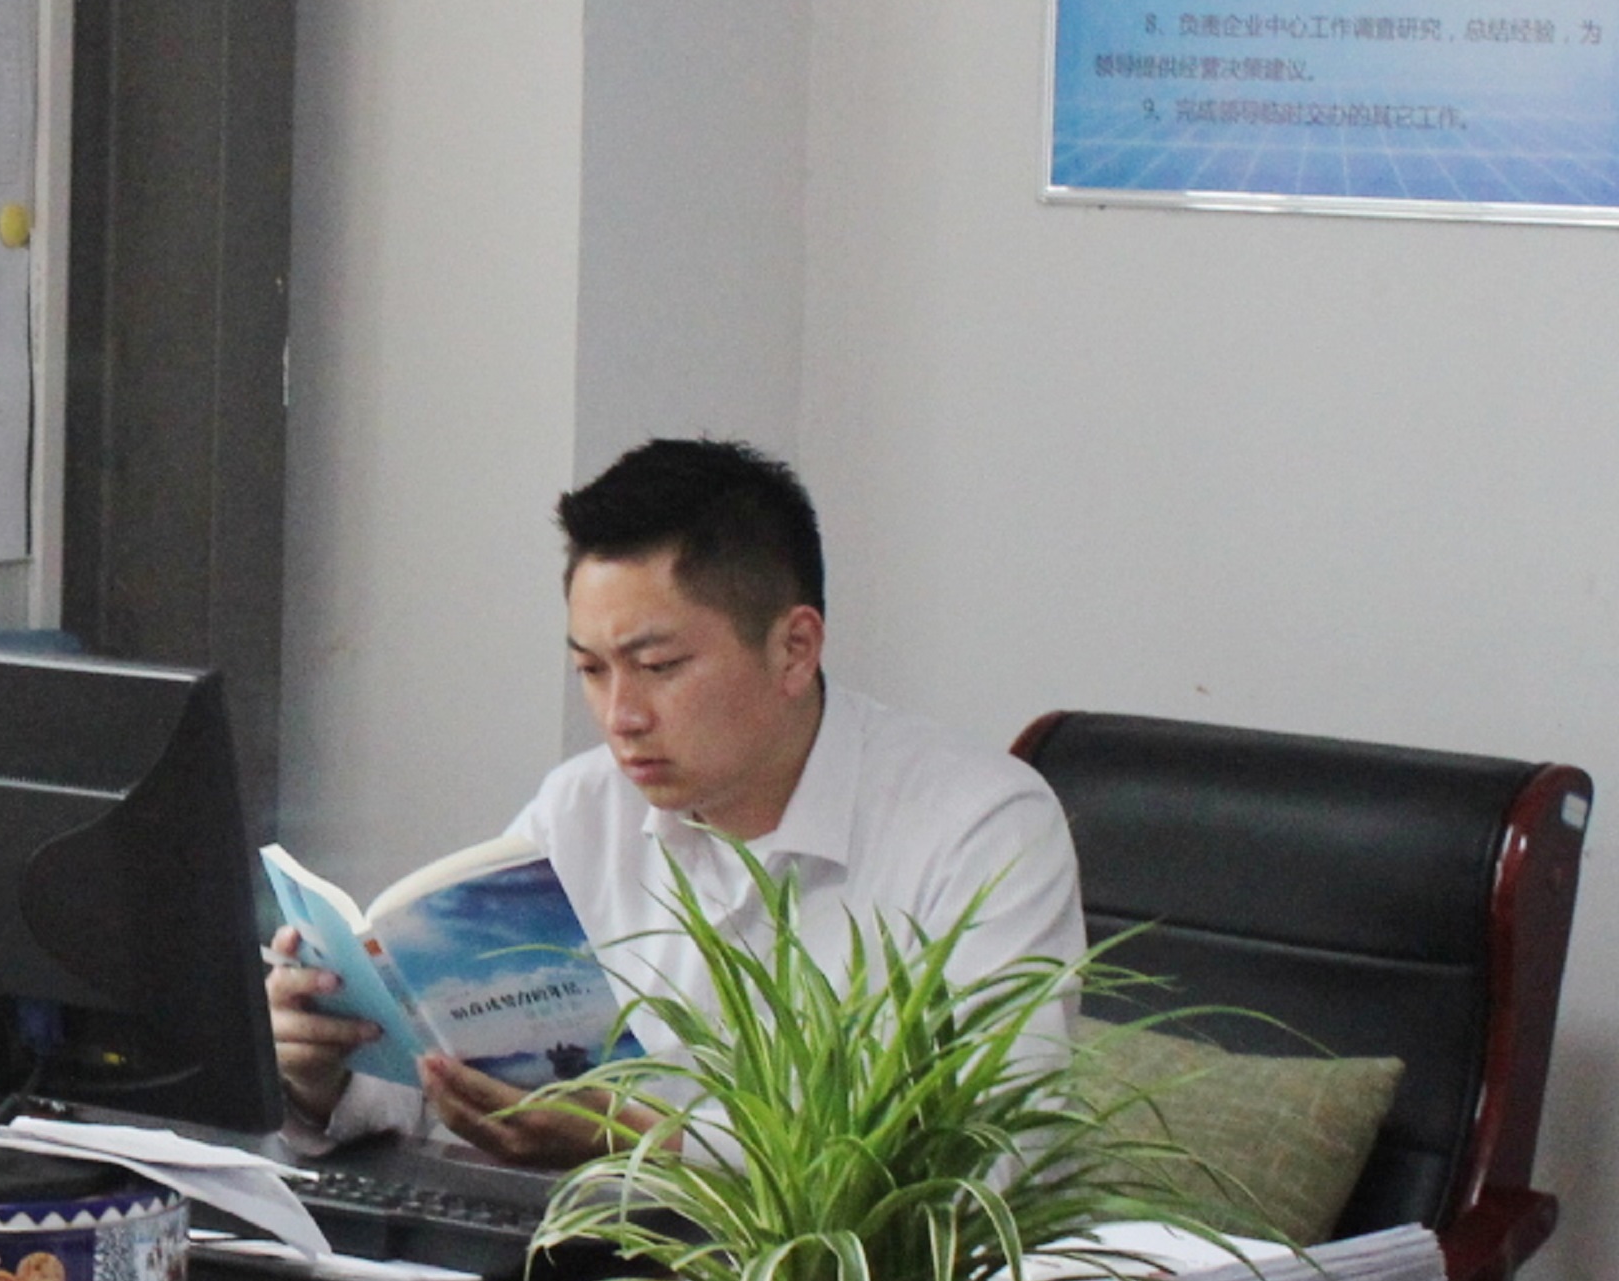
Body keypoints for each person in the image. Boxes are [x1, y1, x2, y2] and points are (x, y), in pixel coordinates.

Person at [270, 437, 1083, 1163]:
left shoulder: (979, 826)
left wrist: (655, 1143)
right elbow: (440, 1090)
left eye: (659, 667)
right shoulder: (582, 809)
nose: (620, 716)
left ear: (795, 648)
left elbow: (998, 1146)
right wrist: (322, 1071)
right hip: (566, 1258)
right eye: (592, 670)